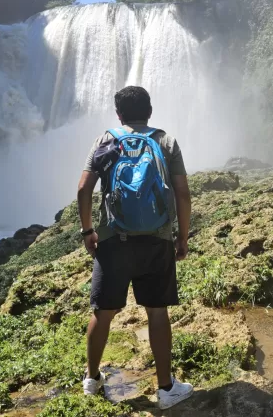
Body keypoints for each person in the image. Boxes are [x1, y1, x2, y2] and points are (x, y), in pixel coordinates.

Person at [77, 86, 193, 409]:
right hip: (157, 240)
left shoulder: (106, 141)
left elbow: (84, 188)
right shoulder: (165, 141)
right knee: (157, 311)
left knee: (103, 312)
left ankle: (92, 380)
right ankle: (167, 389)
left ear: (119, 115)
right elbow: (183, 194)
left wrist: (88, 231)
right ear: (150, 111)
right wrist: (182, 237)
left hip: (113, 240)